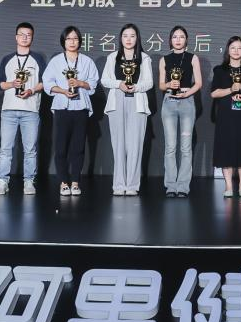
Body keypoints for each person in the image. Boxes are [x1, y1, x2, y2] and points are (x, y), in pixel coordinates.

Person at [42, 26, 99, 197]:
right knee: (60, 147)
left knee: (78, 147)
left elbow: (93, 84)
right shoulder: (56, 61)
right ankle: (63, 182)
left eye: (75, 38)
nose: (72, 42)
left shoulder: (87, 61)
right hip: (62, 107)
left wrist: (80, 83)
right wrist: (63, 91)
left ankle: (75, 182)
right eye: (68, 39)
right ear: (63, 41)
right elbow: (47, 83)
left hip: (81, 107)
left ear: (80, 41)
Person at [101, 23, 154, 196]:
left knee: (135, 146)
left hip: (137, 102)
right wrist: (119, 84)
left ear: (137, 38)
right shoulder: (113, 57)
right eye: (125, 36)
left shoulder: (144, 58)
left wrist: (135, 87)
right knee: (118, 145)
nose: (129, 39)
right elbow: (104, 80)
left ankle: (132, 185)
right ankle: (118, 185)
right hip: (116, 101)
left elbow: (149, 83)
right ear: (120, 38)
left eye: (132, 36)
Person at [0, 22, 43, 196]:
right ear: (16, 37)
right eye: (22, 34)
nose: (25, 37)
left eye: (28, 35)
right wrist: (12, 84)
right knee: (5, 149)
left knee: (30, 150)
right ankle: (2, 181)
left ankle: (29, 181)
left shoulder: (38, 59)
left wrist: (31, 90)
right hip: (9, 110)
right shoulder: (7, 59)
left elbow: (44, 83)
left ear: (32, 38)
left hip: (30, 110)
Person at [209, 36, 241, 197]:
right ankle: (228, 186)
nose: (236, 51)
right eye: (233, 48)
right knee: (226, 149)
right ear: (228, 50)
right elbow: (214, 93)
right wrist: (231, 89)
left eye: (239, 48)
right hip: (226, 114)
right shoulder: (220, 70)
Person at [158, 26, 202, 198]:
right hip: (169, 101)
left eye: (181, 36)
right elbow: (161, 85)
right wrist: (169, 84)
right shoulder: (164, 59)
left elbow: (198, 83)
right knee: (170, 147)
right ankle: (170, 185)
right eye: (175, 37)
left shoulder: (193, 58)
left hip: (187, 102)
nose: (178, 40)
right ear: (170, 40)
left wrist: (187, 93)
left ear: (186, 40)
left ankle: (183, 186)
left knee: (185, 147)